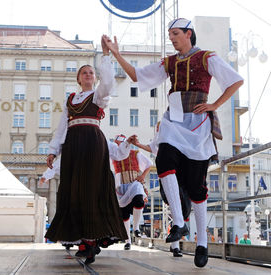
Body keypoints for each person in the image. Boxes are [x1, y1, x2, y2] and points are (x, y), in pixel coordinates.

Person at [103, 18, 244, 268]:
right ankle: (178, 222)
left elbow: (235, 81)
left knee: (196, 186)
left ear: (189, 33)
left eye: (175, 33)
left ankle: (202, 243)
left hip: (197, 124)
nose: (172, 38)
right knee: (164, 158)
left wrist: (214, 105)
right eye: (170, 34)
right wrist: (116, 53)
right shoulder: (168, 62)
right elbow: (136, 75)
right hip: (173, 121)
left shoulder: (206, 57)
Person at [45, 35, 128, 265]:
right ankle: (82, 239)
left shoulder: (98, 96)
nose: (89, 75)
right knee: (72, 190)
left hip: (92, 143)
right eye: (85, 73)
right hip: (72, 144)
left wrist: (106, 56)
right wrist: (53, 151)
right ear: (78, 78)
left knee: (91, 189)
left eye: (91, 72)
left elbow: (109, 83)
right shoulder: (70, 99)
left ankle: (90, 242)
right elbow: (62, 127)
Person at [135, 122, 185, 257]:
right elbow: (151, 148)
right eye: (158, 127)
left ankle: (176, 244)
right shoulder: (160, 138)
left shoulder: (176, 137)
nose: (159, 129)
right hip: (167, 176)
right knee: (174, 208)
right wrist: (138, 144)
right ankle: (175, 246)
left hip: (180, 175)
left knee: (181, 208)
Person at [111, 134, 152, 251]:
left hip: (134, 184)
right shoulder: (113, 156)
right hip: (120, 188)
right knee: (124, 215)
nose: (118, 147)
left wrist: (143, 176)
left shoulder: (135, 153)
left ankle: (136, 227)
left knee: (139, 200)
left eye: (119, 144)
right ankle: (128, 240)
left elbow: (149, 164)